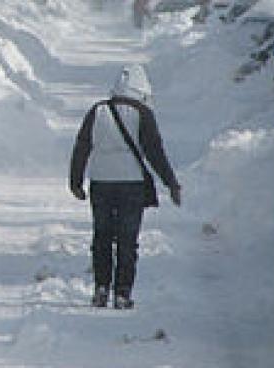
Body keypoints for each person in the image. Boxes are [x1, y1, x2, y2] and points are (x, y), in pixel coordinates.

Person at [69, 65, 181, 309]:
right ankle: (122, 293)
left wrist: (76, 181)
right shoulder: (143, 114)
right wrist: (171, 182)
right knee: (127, 240)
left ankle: (100, 289)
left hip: (101, 182)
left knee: (102, 236)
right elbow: (155, 153)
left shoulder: (97, 111)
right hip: (132, 184)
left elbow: (82, 147)